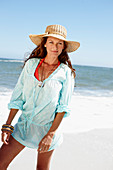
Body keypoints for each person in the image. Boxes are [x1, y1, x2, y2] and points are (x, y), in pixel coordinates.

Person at [0, 24, 80, 170]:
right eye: (51, 42)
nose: (54, 46)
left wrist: (50, 135)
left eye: (59, 43)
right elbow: (17, 97)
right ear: (44, 43)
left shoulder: (66, 73)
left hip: (48, 129)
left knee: (41, 168)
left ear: (63, 47)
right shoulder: (31, 65)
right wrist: (8, 125)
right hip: (23, 126)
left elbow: (63, 108)